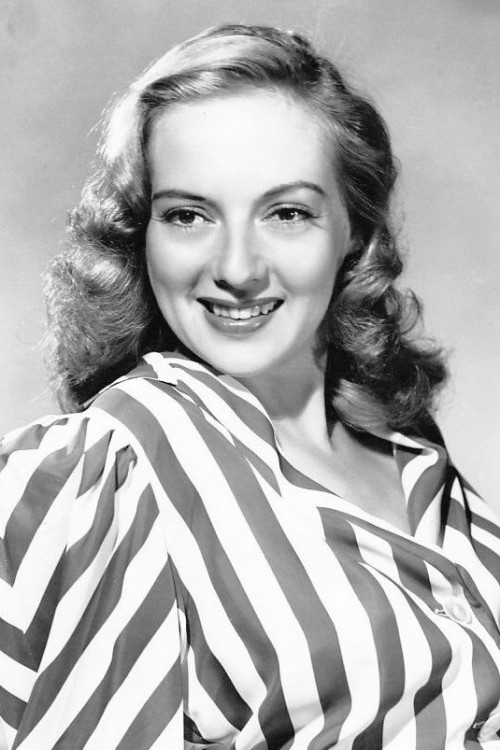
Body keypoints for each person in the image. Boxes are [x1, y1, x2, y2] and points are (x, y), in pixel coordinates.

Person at [1, 22, 499, 750]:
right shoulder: (110, 468)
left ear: (354, 233)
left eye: (287, 213)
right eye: (188, 215)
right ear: (143, 236)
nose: (237, 267)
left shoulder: (417, 458)